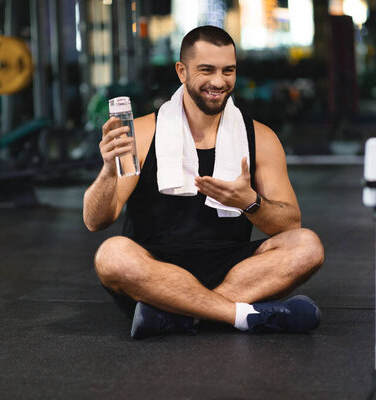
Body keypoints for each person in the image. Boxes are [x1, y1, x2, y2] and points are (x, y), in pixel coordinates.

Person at [83, 25, 324, 339]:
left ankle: (178, 316)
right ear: (182, 72)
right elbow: (96, 220)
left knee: (308, 246)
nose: (219, 81)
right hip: (156, 270)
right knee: (111, 255)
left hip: (233, 270)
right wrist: (107, 170)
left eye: (228, 71)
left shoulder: (260, 138)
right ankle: (237, 314)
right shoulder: (141, 133)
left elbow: (290, 224)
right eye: (206, 70)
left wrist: (249, 202)